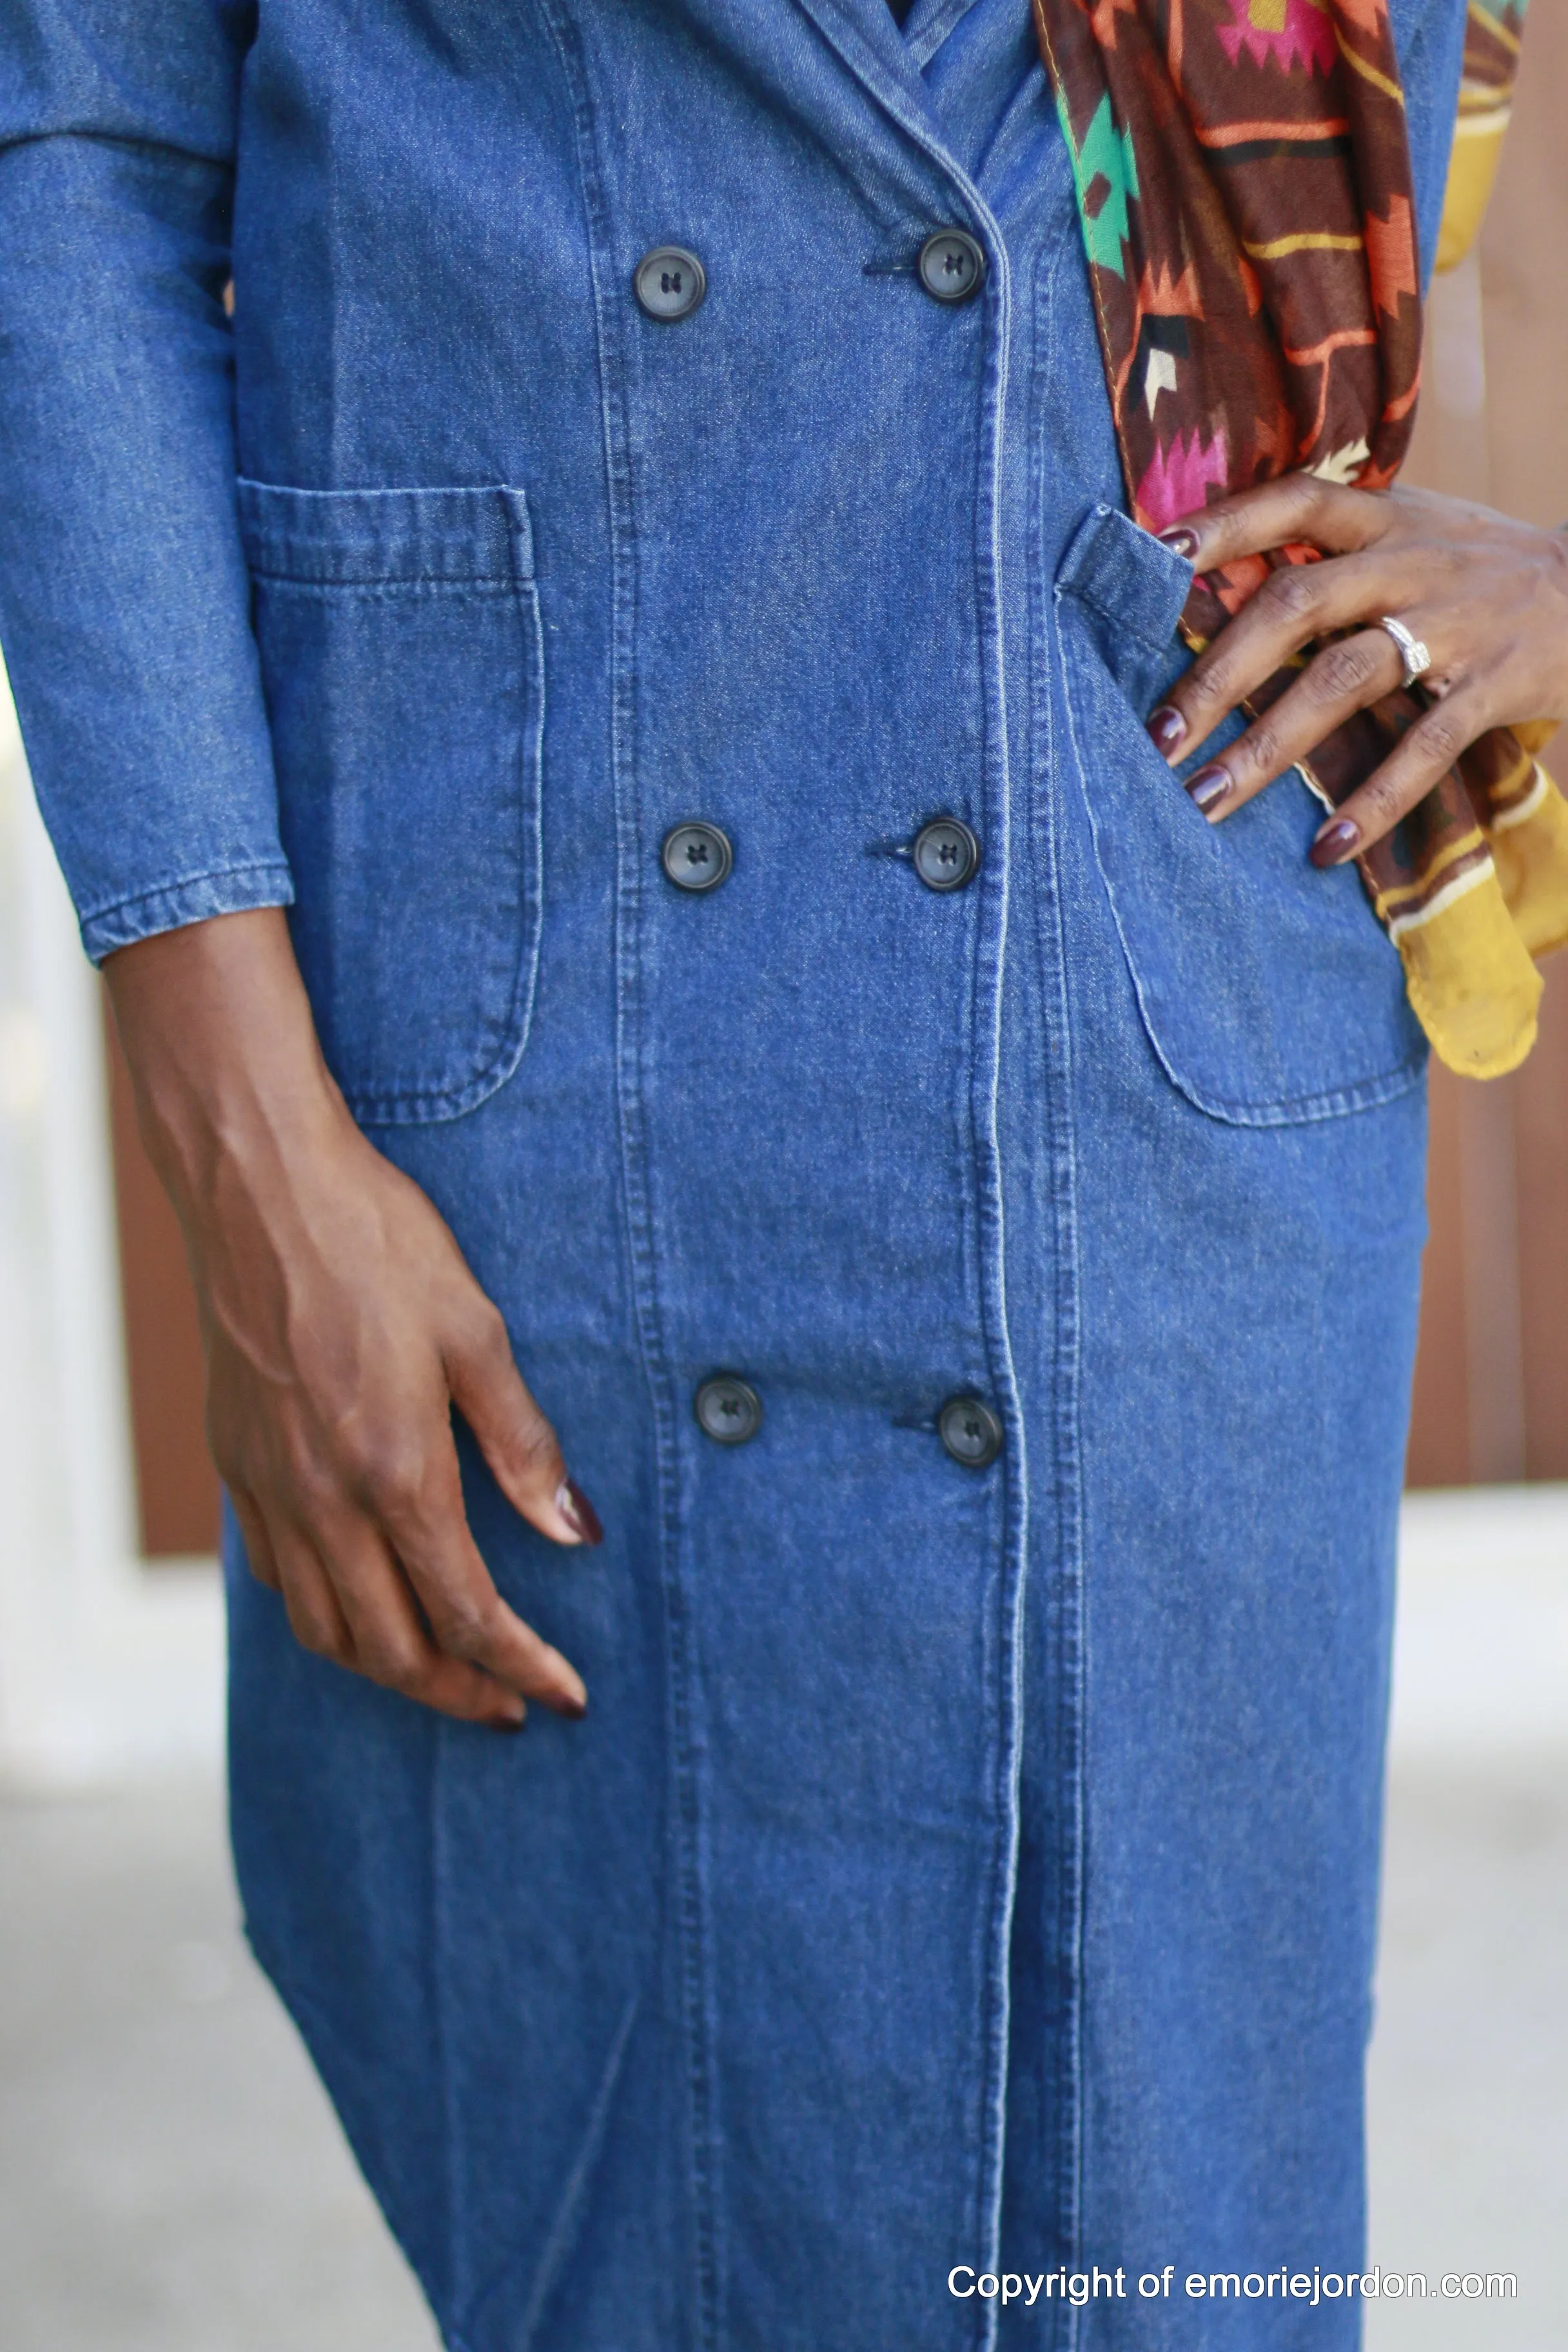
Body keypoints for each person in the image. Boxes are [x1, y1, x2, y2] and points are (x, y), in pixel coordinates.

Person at [0, 2, 1563, 2344]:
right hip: (557, 1101)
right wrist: (248, 1160)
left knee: (1179, 2249)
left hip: (1161, 1026)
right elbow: (76, 157)